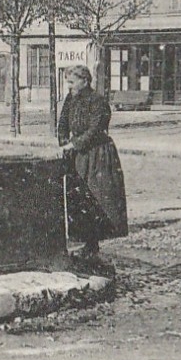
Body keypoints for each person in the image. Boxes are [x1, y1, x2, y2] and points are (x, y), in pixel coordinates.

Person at [57, 65, 128, 257]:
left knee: (96, 196)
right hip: (78, 153)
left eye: (72, 82)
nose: (69, 86)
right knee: (78, 196)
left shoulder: (98, 101)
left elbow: (96, 129)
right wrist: (64, 141)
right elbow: (62, 122)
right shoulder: (71, 98)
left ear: (84, 81)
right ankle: (84, 241)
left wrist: (76, 143)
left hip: (98, 154)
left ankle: (94, 243)